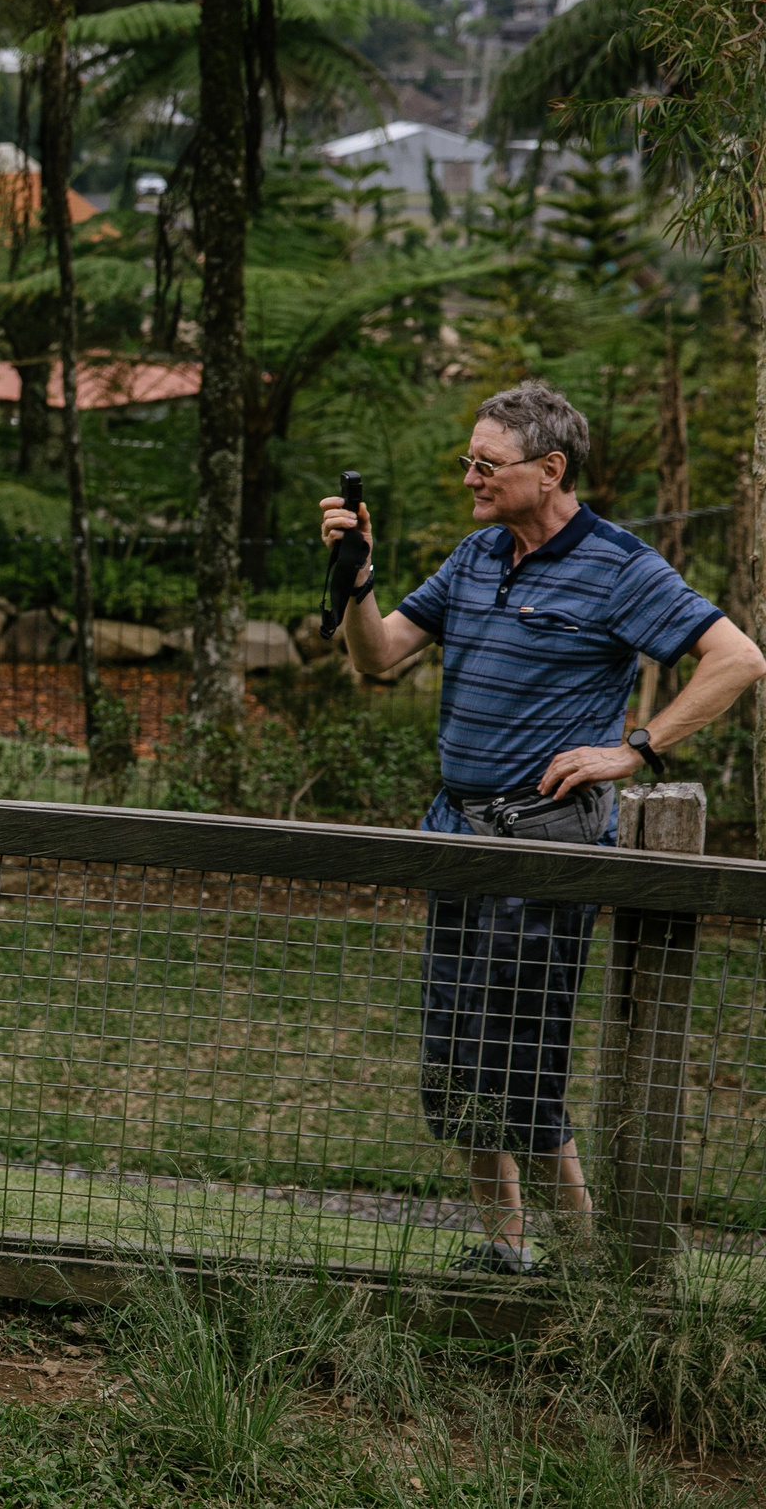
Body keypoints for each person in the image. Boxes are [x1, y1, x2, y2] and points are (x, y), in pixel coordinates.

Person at [321, 380, 765, 1274]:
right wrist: (357, 576)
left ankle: (593, 1258)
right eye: (467, 462)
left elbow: (739, 659)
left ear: (550, 469)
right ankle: (505, 1250)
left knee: (521, 1055)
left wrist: (632, 749)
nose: (471, 479)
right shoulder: (477, 555)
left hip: (546, 841)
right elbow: (377, 658)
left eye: (487, 465)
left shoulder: (619, 564)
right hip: (456, 832)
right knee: (454, 1057)